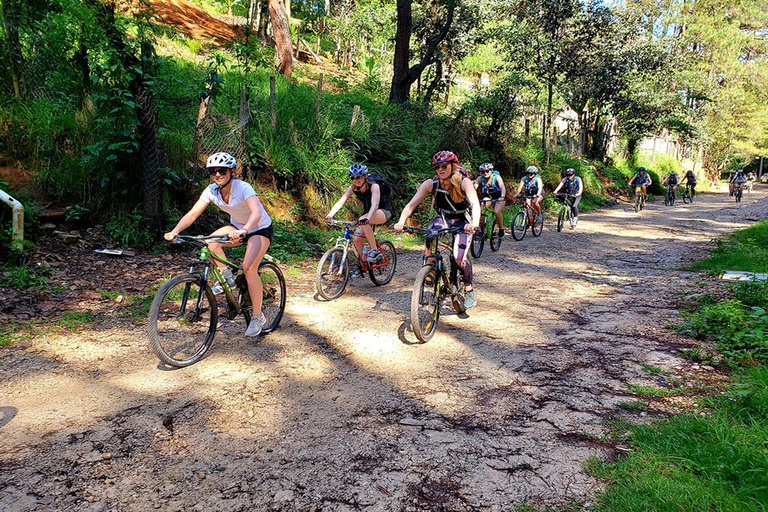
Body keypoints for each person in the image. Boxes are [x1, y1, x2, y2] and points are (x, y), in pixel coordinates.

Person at [164, 152, 273, 337]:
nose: (217, 175)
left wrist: (245, 230)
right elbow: (192, 214)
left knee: (249, 269)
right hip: (237, 227)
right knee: (209, 243)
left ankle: (257, 316)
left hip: (259, 229)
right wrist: (175, 231)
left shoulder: (243, 188)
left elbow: (256, 213)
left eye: (221, 170)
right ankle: (227, 277)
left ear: (231, 171)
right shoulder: (211, 191)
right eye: (212, 171)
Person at [394, 150, 481, 309]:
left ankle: (469, 289)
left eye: (444, 166)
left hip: (462, 219)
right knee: (430, 234)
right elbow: (411, 204)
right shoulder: (431, 183)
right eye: (437, 167)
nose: (440, 169)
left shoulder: (464, 181)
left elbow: (475, 204)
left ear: (452, 165)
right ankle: (431, 269)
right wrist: (401, 221)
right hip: (443, 217)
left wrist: (474, 223)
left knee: (459, 257)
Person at [325, 164, 393, 268]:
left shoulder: (374, 185)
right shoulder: (353, 187)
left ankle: (374, 250)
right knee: (357, 240)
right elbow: (341, 201)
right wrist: (330, 215)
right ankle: (365, 264)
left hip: (383, 211)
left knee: (362, 220)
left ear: (365, 176)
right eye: (353, 178)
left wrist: (368, 218)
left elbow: (375, 204)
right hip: (368, 213)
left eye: (358, 177)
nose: (356, 180)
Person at [474, 162, 506, 237]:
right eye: (483, 172)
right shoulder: (479, 178)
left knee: (496, 211)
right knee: (480, 209)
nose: (485, 173)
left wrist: (502, 196)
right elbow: (474, 187)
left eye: (487, 171)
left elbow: (502, 187)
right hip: (489, 197)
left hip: (499, 196)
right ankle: (480, 228)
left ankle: (501, 229)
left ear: (491, 171)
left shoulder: (497, 177)